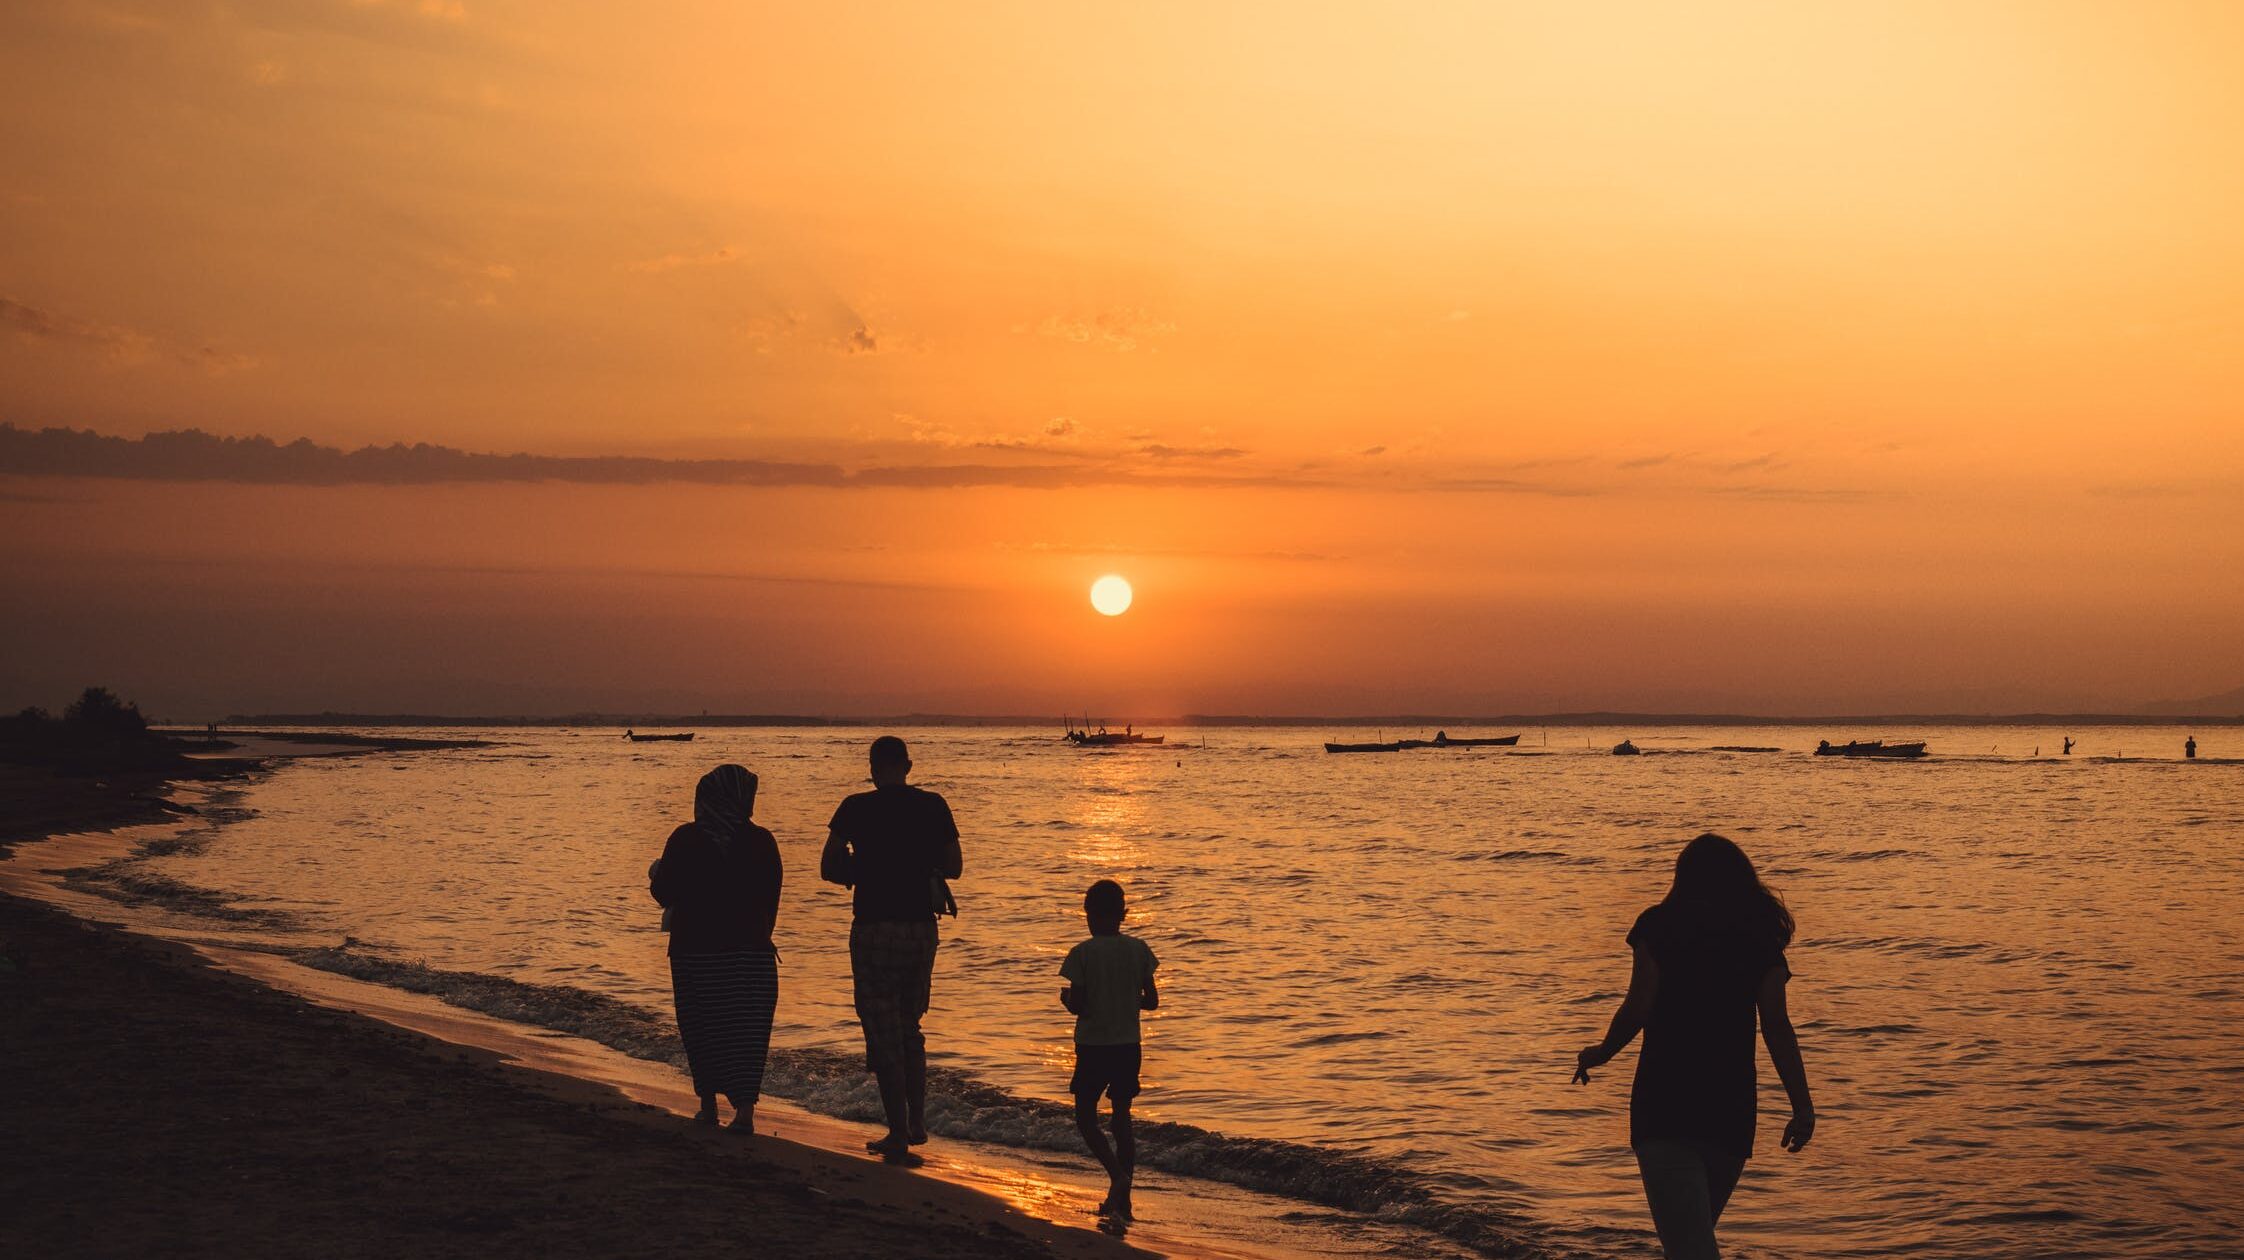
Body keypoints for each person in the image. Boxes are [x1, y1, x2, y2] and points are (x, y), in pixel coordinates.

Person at [1573, 833, 1815, 1260]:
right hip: (1730, 1109)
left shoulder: (1659, 926)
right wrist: (1802, 1105)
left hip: (1665, 1103)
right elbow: (1777, 1026)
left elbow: (1638, 1007)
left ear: (1682, 879)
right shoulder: (1759, 937)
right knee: (1690, 1243)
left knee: (1689, 1247)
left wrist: (1601, 1053)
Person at [822, 736, 962, 1163]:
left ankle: (898, 1132)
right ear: (909, 765)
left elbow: (829, 867)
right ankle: (917, 1121)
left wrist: (860, 868)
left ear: (871, 768)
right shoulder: (934, 805)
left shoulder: (854, 808)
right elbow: (955, 866)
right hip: (921, 929)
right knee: (909, 1026)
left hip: (874, 928)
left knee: (882, 1029)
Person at [649, 764, 783, 1133]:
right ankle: (744, 1113)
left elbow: (664, 892)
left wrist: (656, 874)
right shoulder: (762, 841)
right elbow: (772, 898)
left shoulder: (685, 839)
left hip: (696, 952)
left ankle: (708, 1106)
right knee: (747, 1032)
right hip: (751, 953)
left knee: (702, 1027)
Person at [1060, 879, 1159, 1220]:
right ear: (1123, 914)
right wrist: (1127, 999)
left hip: (1093, 1046)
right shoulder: (1140, 950)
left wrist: (1066, 1001)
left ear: (1088, 914)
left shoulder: (1082, 953)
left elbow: (1080, 1007)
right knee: (1122, 1120)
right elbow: (1153, 1003)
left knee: (1086, 1117)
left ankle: (1117, 1176)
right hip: (1128, 1046)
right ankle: (1124, 1200)